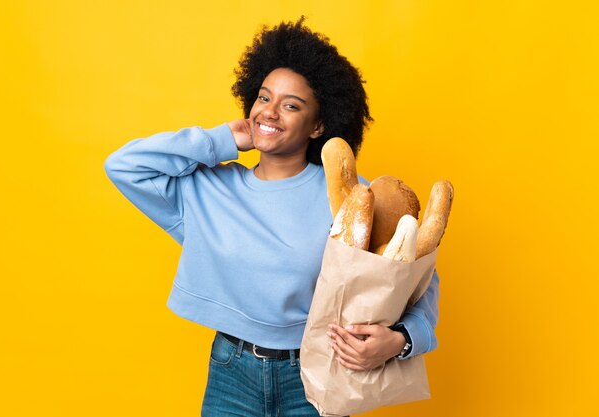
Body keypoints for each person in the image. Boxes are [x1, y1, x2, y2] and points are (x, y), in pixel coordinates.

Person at [104, 17, 440, 417]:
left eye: (291, 105)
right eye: (264, 98)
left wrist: (402, 339)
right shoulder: (206, 190)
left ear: (318, 125)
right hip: (232, 372)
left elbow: (416, 278)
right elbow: (124, 166)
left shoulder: (351, 196)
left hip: (318, 373)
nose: (271, 112)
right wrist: (222, 140)